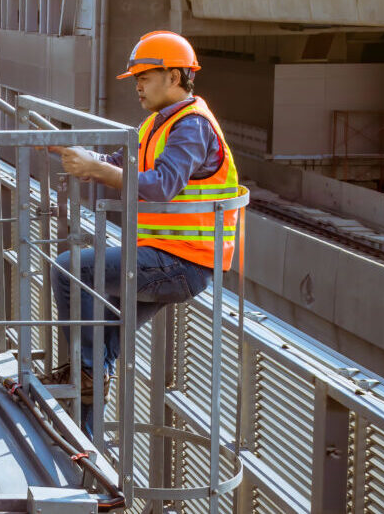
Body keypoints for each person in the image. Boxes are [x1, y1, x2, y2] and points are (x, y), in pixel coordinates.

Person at [50, 30, 242, 385]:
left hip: (182, 262)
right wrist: (74, 152)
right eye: (136, 79)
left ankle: (87, 372)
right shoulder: (157, 123)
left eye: (144, 78)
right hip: (165, 256)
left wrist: (96, 168)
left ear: (174, 77)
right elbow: (117, 162)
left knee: (69, 270)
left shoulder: (193, 126)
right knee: (106, 335)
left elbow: (162, 185)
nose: (137, 86)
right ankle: (89, 393)